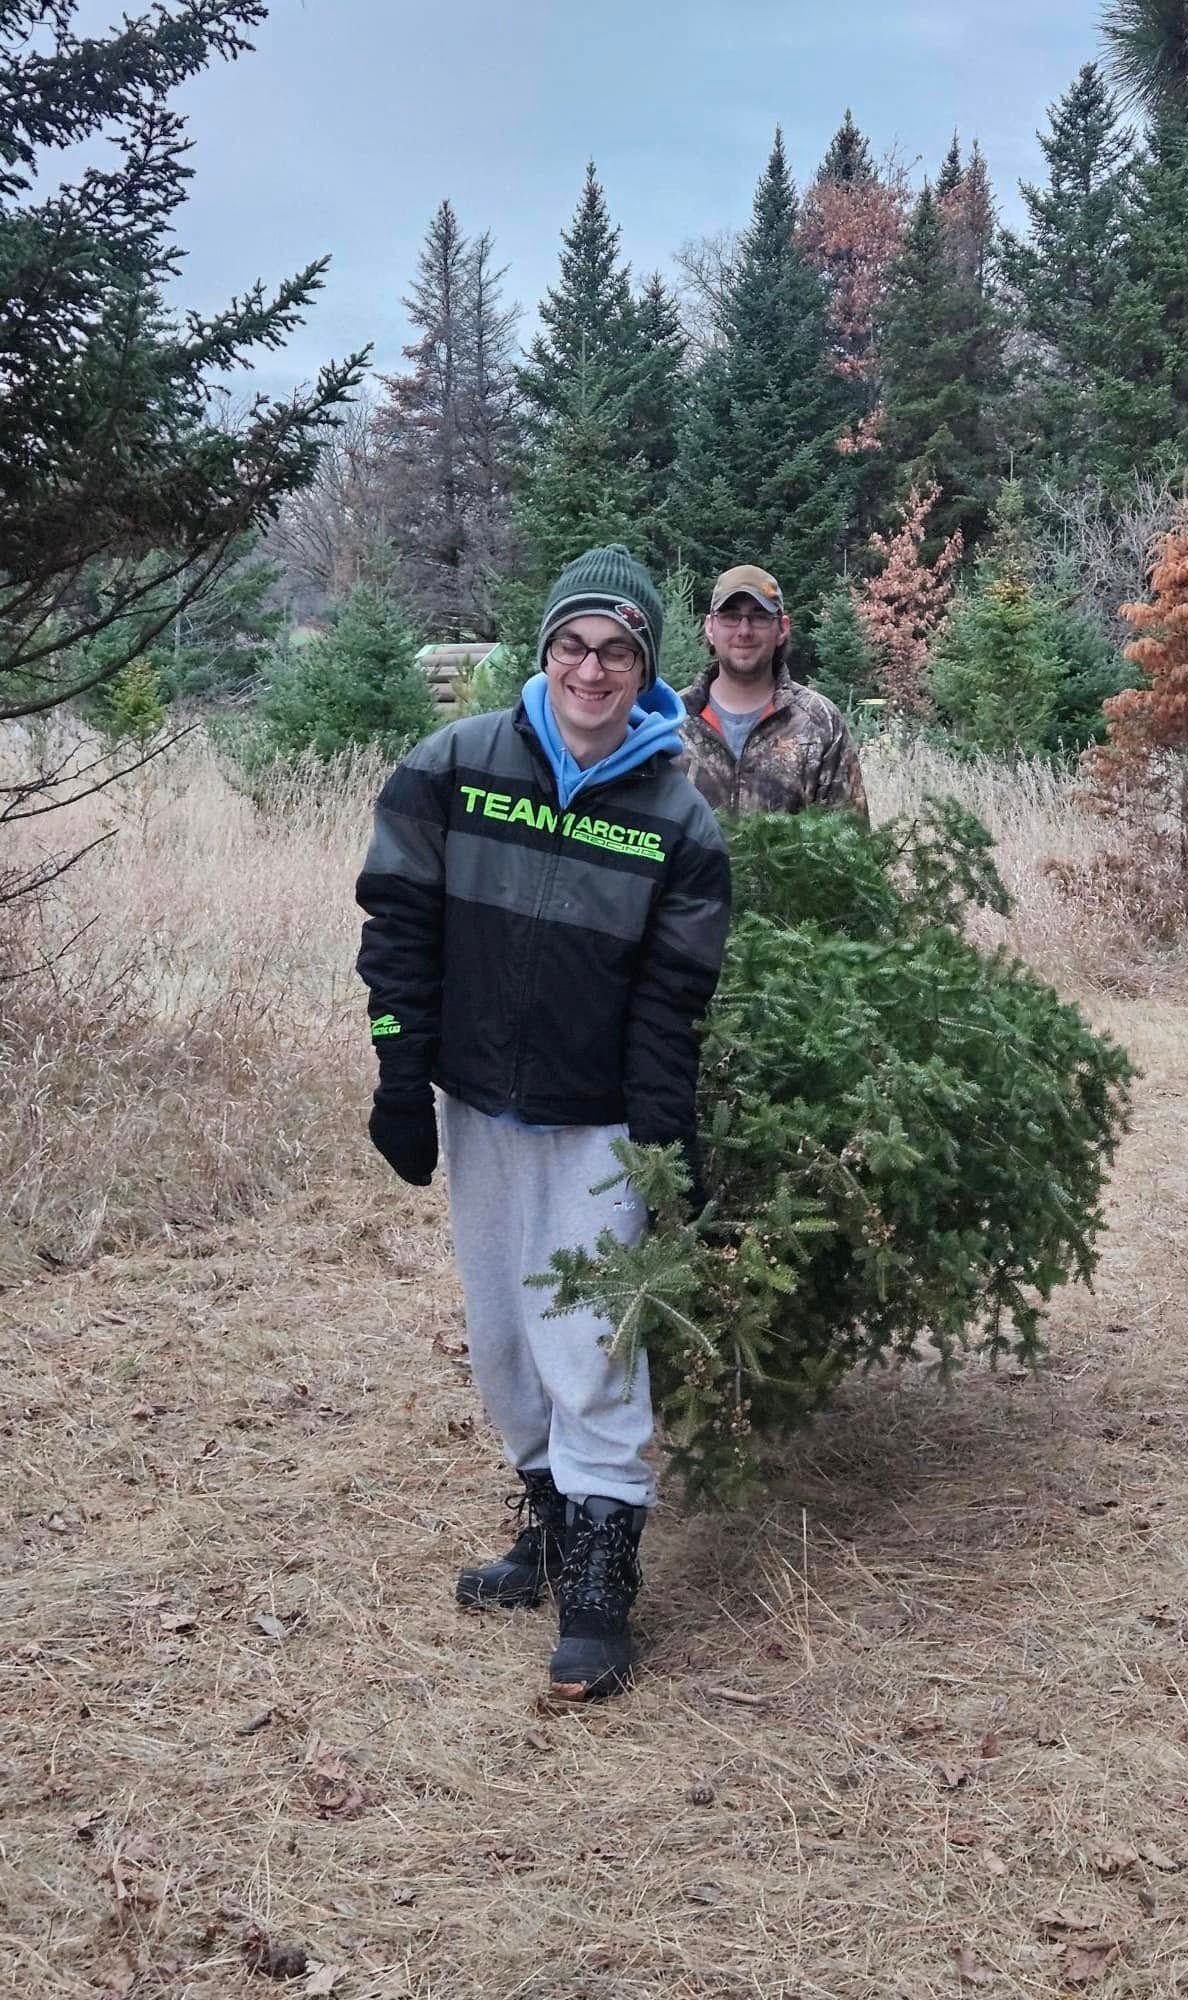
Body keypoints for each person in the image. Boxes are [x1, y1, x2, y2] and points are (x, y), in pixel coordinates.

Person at [355, 546, 731, 1701]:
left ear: (647, 669)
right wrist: (397, 1071)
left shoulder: (679, 822)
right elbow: (396, 927)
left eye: (619, 650)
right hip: (476, 1101)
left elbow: (674, 1005)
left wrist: (663, 1145)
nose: (593, 667)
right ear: (544, 652)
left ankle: (602, 1593)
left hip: (597, 1124)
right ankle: (551, 1530)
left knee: (590, 1346)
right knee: (505, 1346)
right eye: (574, 643)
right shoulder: (452, 767)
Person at [677, 563, 868, 821]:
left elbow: (851, 846)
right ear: (710, 627)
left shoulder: (820, 723)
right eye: (731, 616)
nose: (744, 631)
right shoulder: (673, 720)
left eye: (759, 616)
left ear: (782, 628)